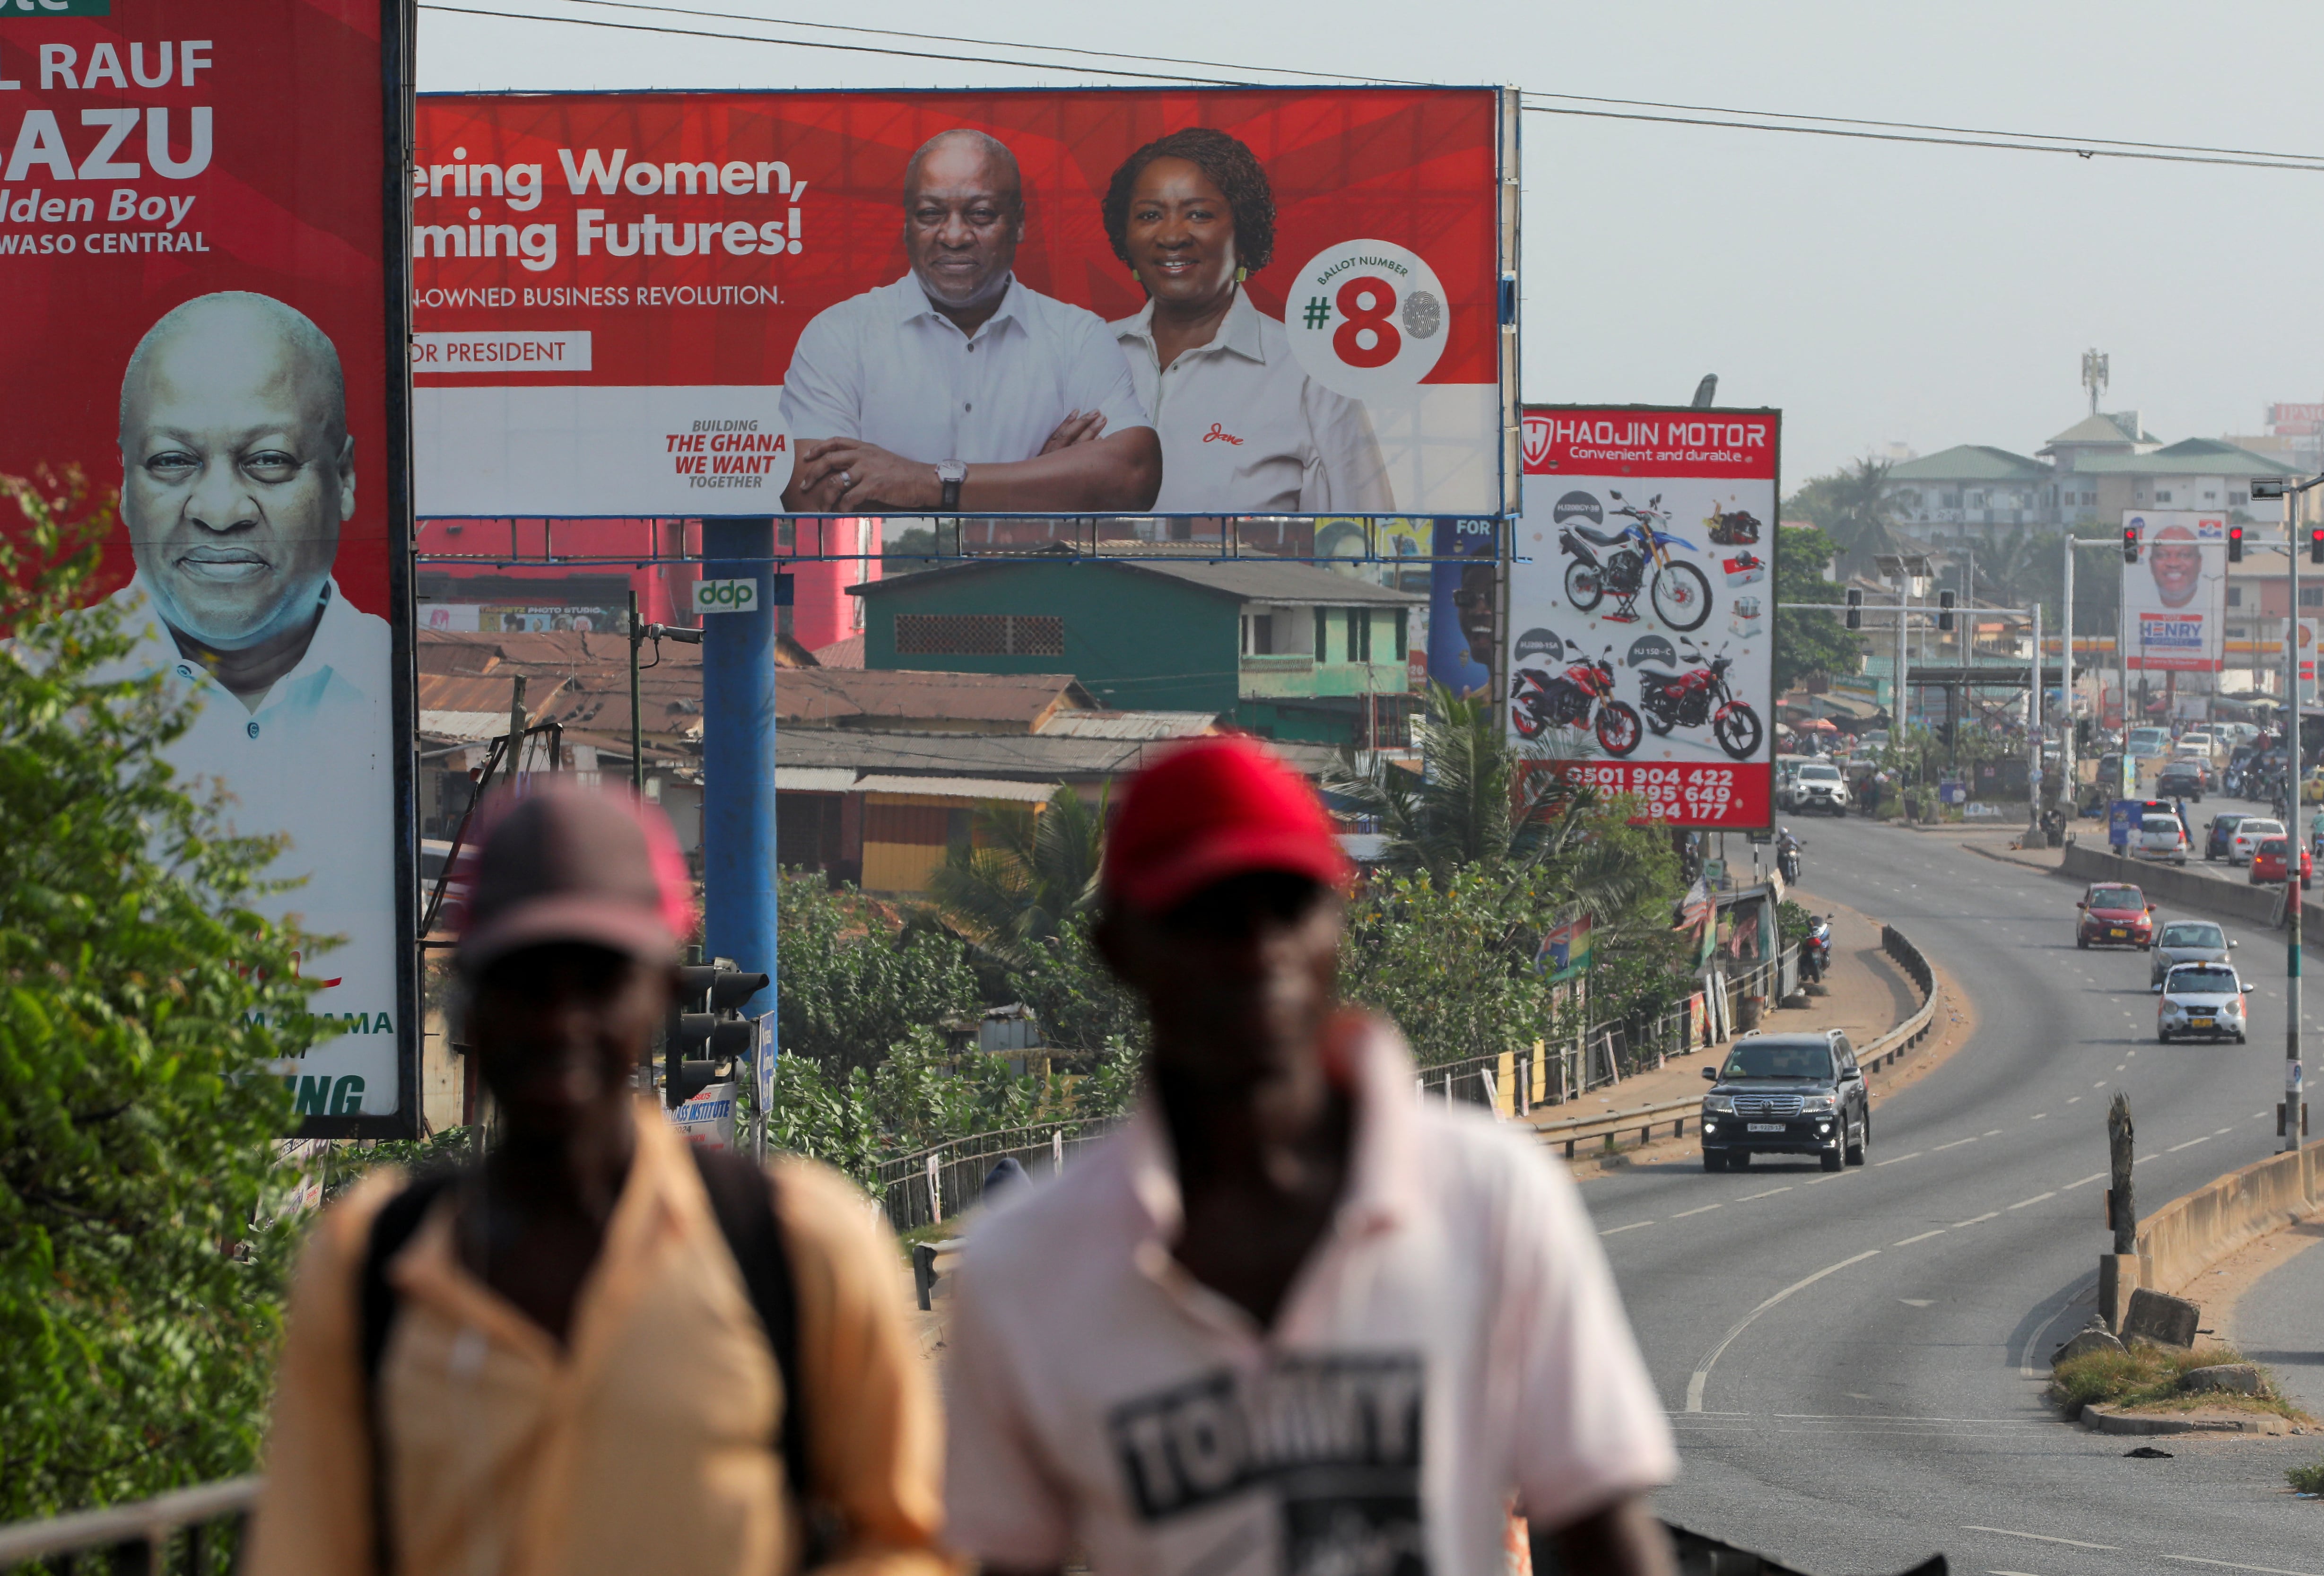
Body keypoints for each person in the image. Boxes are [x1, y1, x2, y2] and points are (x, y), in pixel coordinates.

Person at [940, 739, 1679, 1576]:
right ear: (1119, 947)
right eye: (1209, 914)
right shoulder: (1027, 1268)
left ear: (1337, 920)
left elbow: (1605, 1533)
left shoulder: (1493, 1195)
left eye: (1288, 903)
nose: (1259, 948)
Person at [242, 789, 948, 1576]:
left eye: (598, 980)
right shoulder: (367, 1266)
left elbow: (898, 1538)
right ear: (470, 1007)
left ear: (658, 995)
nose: (560, 1019)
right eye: (525, 982)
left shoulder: (801, 1245)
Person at [104, 289, 397, 1107]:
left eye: (267, 461)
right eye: (172, 462)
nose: (220, 511)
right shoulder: (36, 702)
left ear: (343, 477)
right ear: (125, 483)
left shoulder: (404, 698)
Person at [780, 128, 1160, 514]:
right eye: (931, 214)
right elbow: (810, 497)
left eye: (980, 214)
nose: (955, 235)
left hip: (1036, 575)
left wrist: (920, 482)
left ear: (1020, 222)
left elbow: (1134, 476)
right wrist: (1037, 480)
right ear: (907, 224)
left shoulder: (1076, 336)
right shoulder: (839, 335)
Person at [1097, 127, 1393, 514]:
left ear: (1243, 234)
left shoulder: (1309, 373)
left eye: (1198, 214)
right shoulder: (1088, 352)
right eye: (1150, 215)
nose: (1171, 236)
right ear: (1126, 235)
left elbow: (1363, 542)